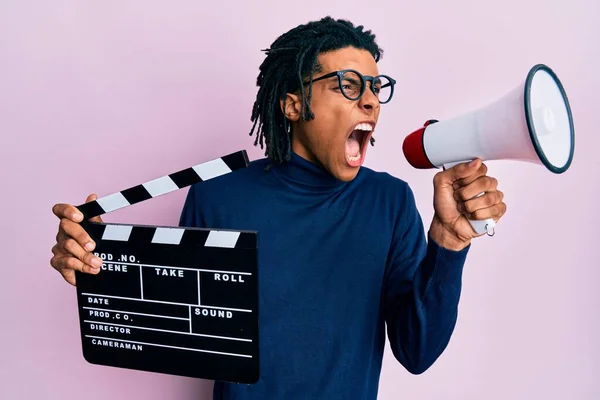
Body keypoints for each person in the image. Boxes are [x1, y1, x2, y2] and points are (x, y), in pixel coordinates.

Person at [50, 16, 506, 400]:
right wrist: (99, 263)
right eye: (347, 85)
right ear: (292, 104)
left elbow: (418, 351)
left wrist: (448, 244)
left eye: (375, 86)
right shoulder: (218, 197)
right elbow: (181, 332)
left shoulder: (390, 201)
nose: (369, 100)